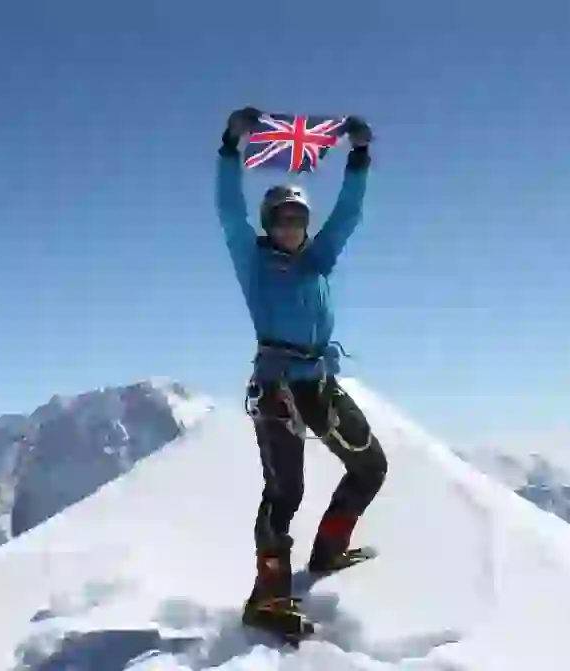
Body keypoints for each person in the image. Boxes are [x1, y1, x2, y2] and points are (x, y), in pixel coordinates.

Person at [214, 107, 389, 637]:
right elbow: (227, 210)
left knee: (370, 467)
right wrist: (230, 146)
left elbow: (349, 214)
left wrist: (358, 156)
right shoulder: (253, 260)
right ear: (268, 225)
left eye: (296, 219)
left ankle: (328, 553)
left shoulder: (319, 258)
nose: (290, 227)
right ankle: (268, 598)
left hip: (319, 383)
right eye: (281, 219)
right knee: (284, 493)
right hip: (277, 389)